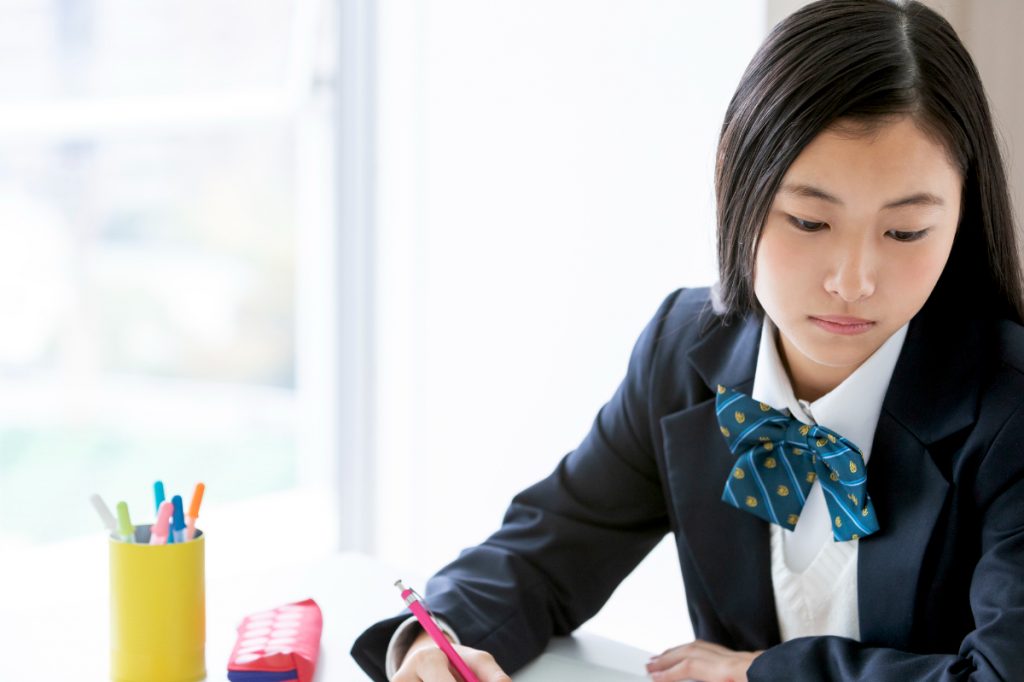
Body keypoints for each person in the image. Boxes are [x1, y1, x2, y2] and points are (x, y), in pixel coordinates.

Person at [351, 0, 1024, 679]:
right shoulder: (685, 351)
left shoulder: (1010, 406)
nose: (852, 282)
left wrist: (758, 672)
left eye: (905, 232)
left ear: (962, 216)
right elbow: (544, 552)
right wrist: (432, 640)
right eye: (808, 222)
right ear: (736, 184)